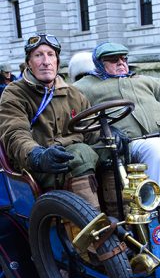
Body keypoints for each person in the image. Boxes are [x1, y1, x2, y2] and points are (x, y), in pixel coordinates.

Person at [74, 42, 160, 186]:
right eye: (113, 60)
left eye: (124, 59)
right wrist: (104, 132)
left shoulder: (148, 81)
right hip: (130, 144)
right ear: (99, 63)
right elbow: (81, 118)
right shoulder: (83, 87)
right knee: (154, 148)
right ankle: (151, 201)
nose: (121, 63)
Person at [0, 33, 100, 209]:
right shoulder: (14, 93)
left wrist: (111, 136)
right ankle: (88, 231)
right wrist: (37, 156)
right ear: (29, 63)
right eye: (38, 55)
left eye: (50, 55)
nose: (46, 61)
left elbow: (92, 130)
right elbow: (15, 133)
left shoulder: (73, 93)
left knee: (112, 153)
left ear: (57, 62)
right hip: (35, 164)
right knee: (81, 153)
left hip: (67, 156)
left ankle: (125, 220)